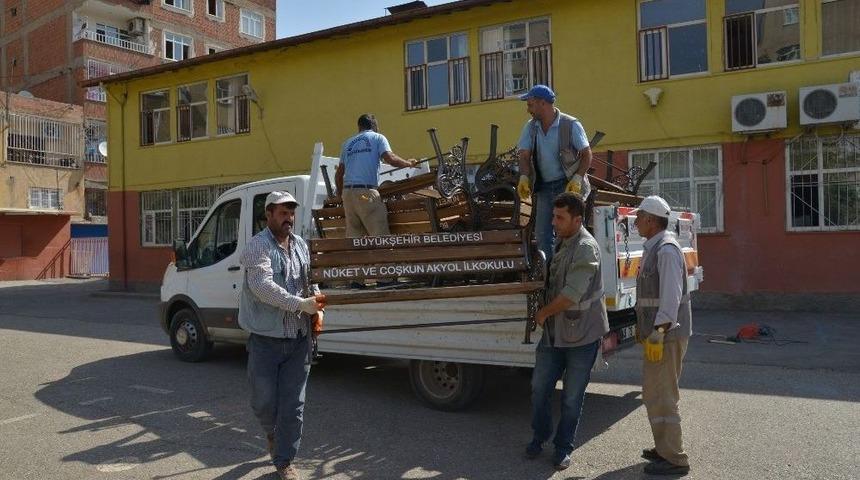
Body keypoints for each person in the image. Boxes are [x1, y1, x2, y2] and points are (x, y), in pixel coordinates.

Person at [238, 191, 327, 480]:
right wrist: (300, 304)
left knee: (294, 406)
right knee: (263, 403)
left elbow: (309, 282)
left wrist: (315, 302)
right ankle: (272, 433)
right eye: (282, 213)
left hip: (299, 339)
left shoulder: (300, 244)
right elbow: (262, 288)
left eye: (291, 213)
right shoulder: (257, 246)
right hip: (266, 340)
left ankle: (285, 461)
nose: (288, 218)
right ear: (269, 215)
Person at [526, 192, 609, 471]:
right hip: (555, 333)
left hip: (581, 336)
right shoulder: (563, 242)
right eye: (553, 216)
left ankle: (563, 448)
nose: (553, 222)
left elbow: (570, 295)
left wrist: (543, 313)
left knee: (572, 397)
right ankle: (539, 437)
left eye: (559, 218)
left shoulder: (585, 247)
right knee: (539, 388)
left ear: (577, 219)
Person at [632, 195, 692, 476]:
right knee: (654, 393)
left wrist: (657, 332)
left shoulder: (665, 250)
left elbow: (670, 299)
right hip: (660, 334)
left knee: (664, 396)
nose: (635, 221)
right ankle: (663, 447)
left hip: (666, 335)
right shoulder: (655, 247)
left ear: (651, 220)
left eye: (639, 216)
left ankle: (674, 458)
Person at [515, 85, 593, 265]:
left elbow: (587, 154)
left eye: (531, 105)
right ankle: (551, 276)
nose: (528, 109)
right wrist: (524, 177)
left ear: (543, 103)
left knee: (569, 233)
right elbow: (524, 155)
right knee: (543, 235)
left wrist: (578, 178)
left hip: (567, 186)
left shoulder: (570, 124)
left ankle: (574, 269)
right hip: (544, 187)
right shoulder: (531, 127)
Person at [335, 113, 418, 238]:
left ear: (359, 127)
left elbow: (339, 174)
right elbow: (390, 158)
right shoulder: (378, 138)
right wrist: (408, 163)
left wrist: (340, 194)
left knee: (354, 240)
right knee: (380, 237)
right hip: (365, 194)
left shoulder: (347, 144)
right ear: (375, 126)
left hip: (348, 196)